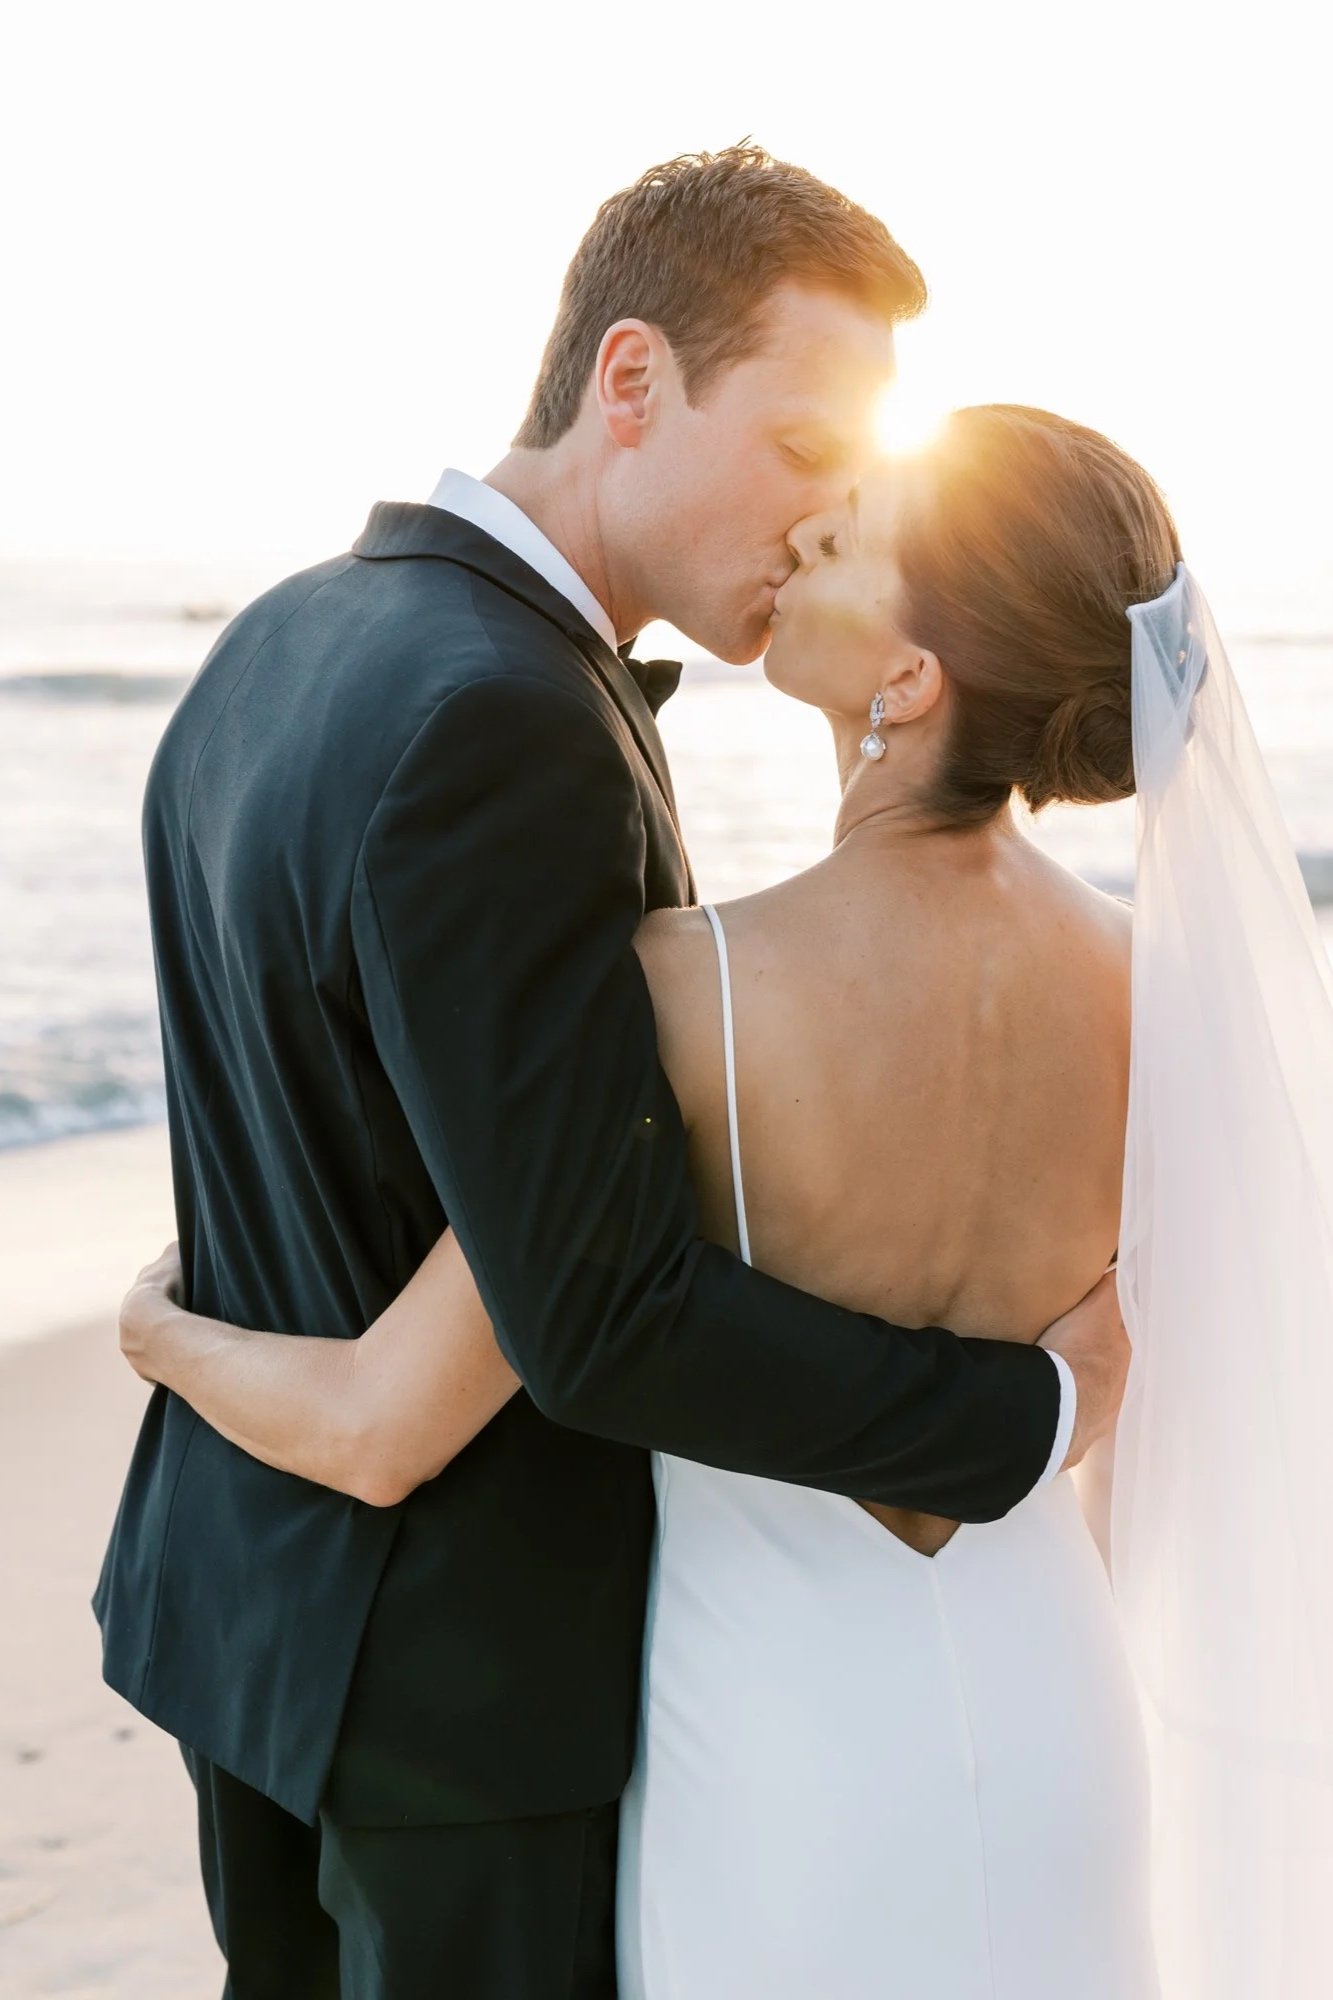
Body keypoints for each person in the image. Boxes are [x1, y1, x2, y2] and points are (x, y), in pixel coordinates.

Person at [98, 147, 1127, 2000]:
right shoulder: (509, 724)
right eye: (809, 450)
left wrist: (182, 1349)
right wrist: (1024, 1421)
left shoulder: (276, 647)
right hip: (461, 1710)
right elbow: (596, 1303)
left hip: (237, 1623)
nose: (821, 523)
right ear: (630, 380)